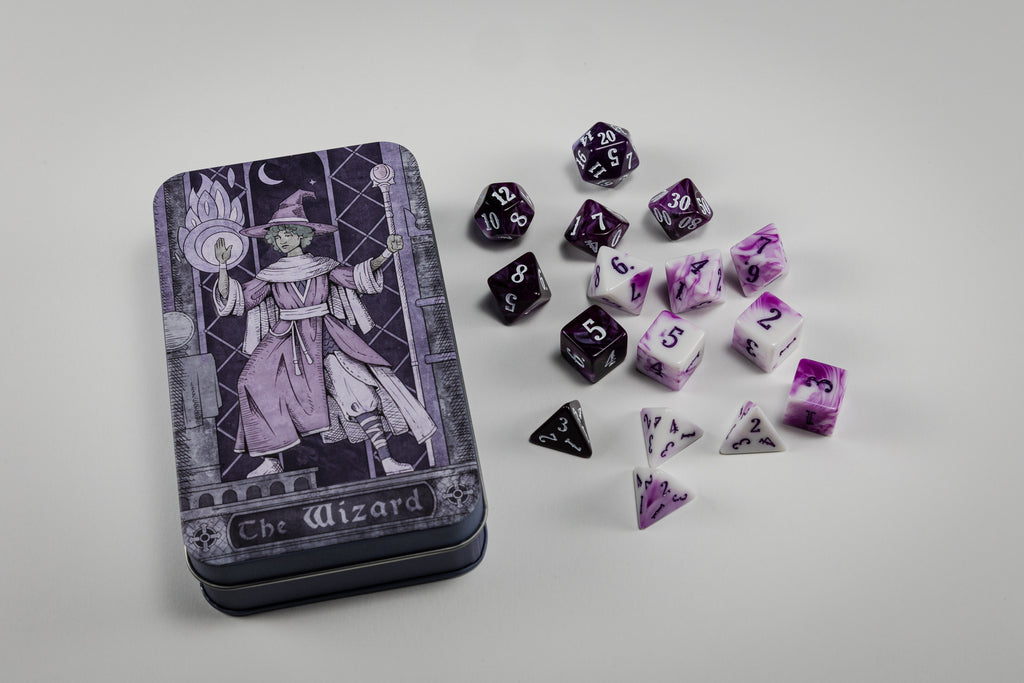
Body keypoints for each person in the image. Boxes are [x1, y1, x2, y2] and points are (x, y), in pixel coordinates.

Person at [213, 190, 436, 478]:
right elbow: (239, 300)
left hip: (327, 336)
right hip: (284, 341)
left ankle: (387, 461)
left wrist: (386, 253)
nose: (282, 240)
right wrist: (222, 266)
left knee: (356, 390)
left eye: (288, 233)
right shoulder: (271, 275)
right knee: (252, 382)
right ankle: (270, 460)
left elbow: (356, 277)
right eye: (278, 236)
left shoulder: (323, 267)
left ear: (303, 236)